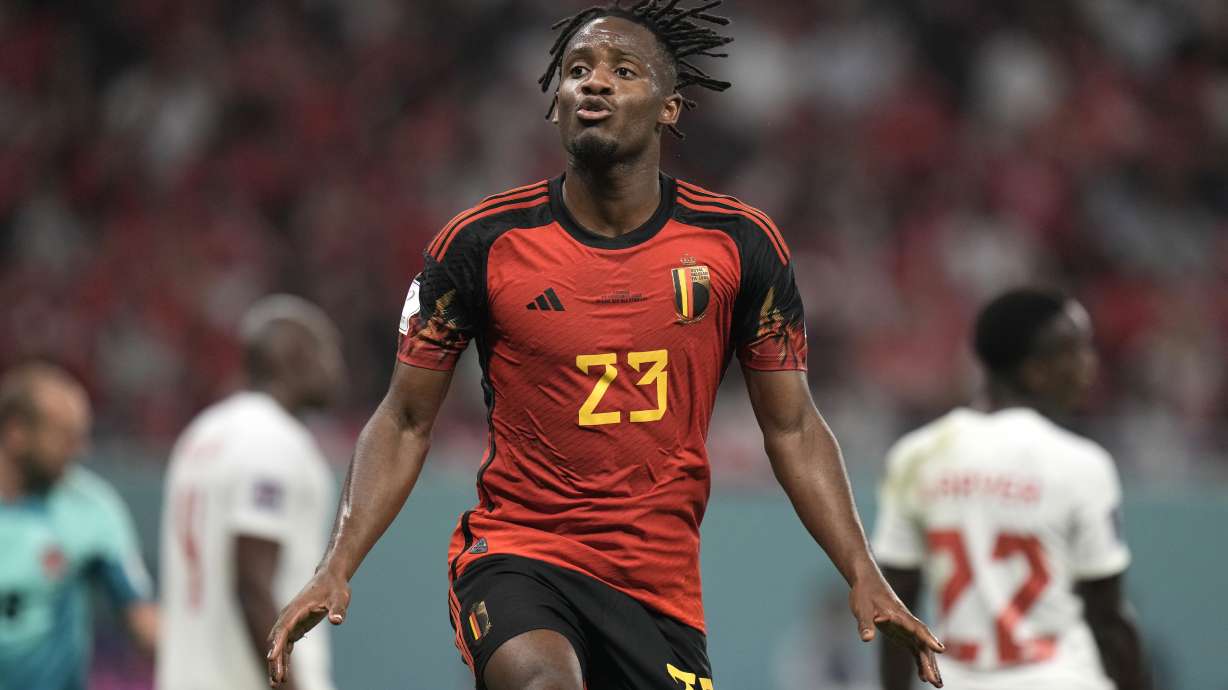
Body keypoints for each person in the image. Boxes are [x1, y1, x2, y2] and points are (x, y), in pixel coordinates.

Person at [268, 3, 944, 689]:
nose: (593, 82)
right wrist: (337, 564)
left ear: (668, 109)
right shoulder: (478, 245)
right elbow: (405, 418)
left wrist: (862, 570)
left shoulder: (739, 245)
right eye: (577, 70)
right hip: (518, 556)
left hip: (657, 593)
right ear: (555, 103)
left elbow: (793, 427)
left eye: (623, 71)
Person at [872, 288, 1151, 690]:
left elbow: (897, 606)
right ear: (1036, 370)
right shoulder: (1080, 463)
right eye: (1075, 350)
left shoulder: (917, 456)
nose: (1089, 365)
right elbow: (1109, 620)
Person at [157, 295, 344, 690]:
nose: (336, 368)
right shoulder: (272, 440)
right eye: (327, 351)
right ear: (294, 357)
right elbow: (252, 583)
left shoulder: (202, 433)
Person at [0, 362, 158, 690]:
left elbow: (142, 620)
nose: (79, 450)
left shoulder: (91, 509)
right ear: (16, 433)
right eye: (64, 436)